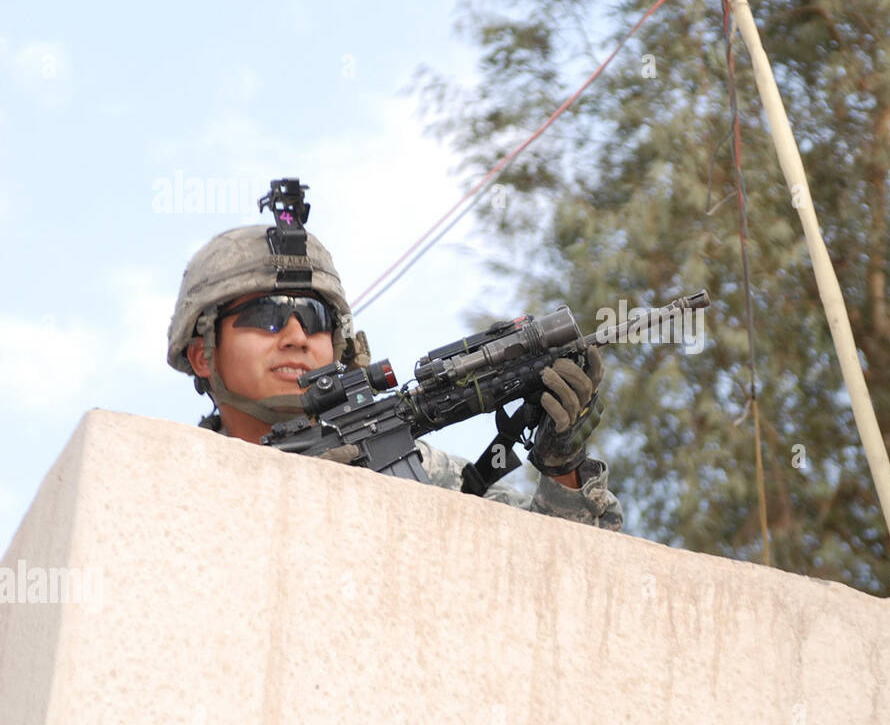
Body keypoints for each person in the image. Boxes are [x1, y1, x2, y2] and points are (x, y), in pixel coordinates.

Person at [166, 223, 623, 531]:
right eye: (265, 315)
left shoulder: (416, 470)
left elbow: (560, 572)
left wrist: (564, 468)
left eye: (315, 316)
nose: (296, 336)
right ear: (202, 354)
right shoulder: (170, 481)